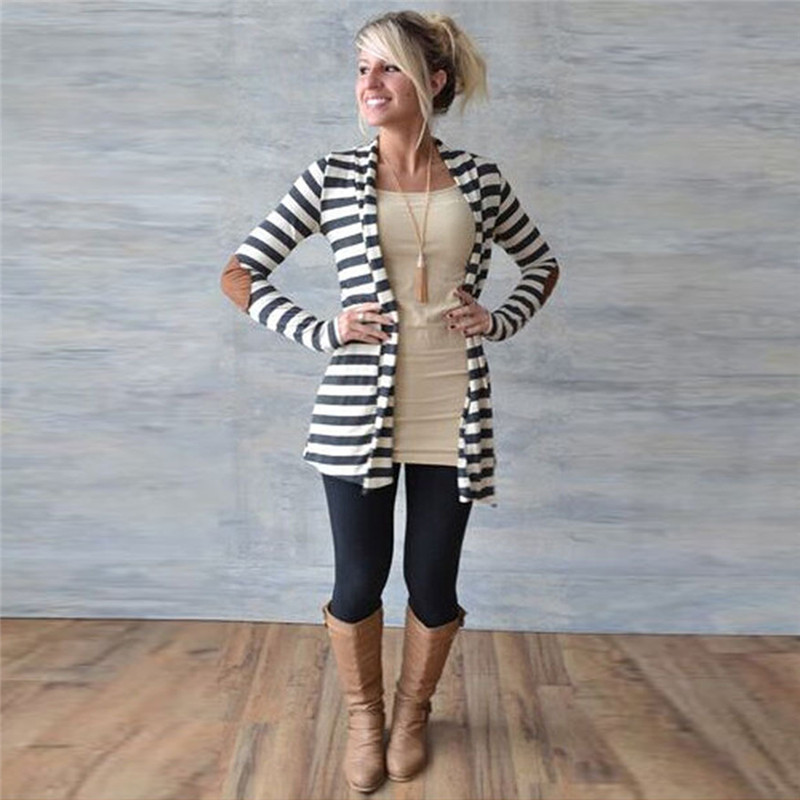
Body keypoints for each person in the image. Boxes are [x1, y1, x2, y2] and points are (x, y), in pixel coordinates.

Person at [221, 9, 560, 793]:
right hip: (354, 418)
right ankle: (364, 721)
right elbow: (240, 273)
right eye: (362, 68)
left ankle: (412, 715)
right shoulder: (331, 176)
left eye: (388, 68)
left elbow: (541, 265)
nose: (368, 83)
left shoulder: (480, 179)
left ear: (432, 82)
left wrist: (499, 317)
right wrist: (322, 330)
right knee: (358, 582)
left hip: (454, 410)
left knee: (433, 585)